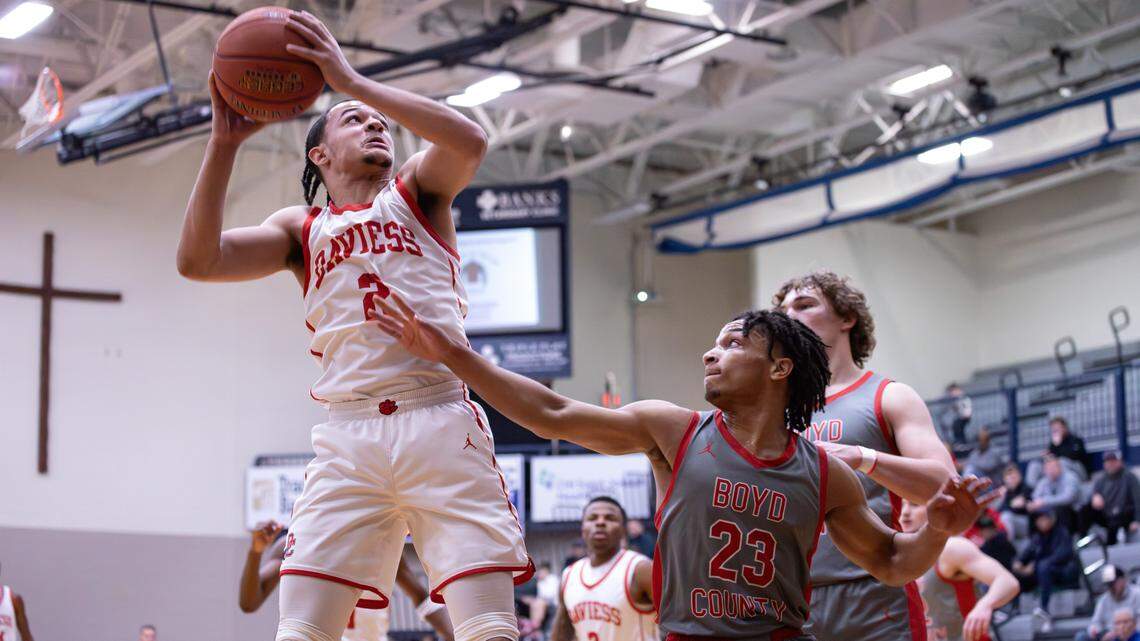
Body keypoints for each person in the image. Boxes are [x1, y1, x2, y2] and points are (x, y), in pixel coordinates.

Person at [177, 10, 532, 641]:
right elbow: (198, 261)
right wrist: (224, 143)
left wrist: (353, 83)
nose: (375, 124)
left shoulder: (417, 193)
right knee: (300, 634)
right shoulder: (300, 228)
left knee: (489, 632)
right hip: (349, 433)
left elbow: (470, 141)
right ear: (319, 152)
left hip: (440, 418)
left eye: (380, 122)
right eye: (354, 120)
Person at [371, 300, 996, 639]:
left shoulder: (824, 472)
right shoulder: (674, 430)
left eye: (732, 344)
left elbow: (891, 563)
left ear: (781, 369)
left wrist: (937, 531)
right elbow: (552, 412)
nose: (710, 352)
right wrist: (454, 356)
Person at [774, 270, 956, 641]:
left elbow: (947, 486)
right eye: (782, 309)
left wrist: (863, 456)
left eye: (805, 305)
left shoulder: (889, 396)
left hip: (874, 588)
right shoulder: (772, 412)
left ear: (847, 318)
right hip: (791, 598)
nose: (790, 315)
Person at [237, 521, 454, 641]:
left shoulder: (378, 541)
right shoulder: (294, 541)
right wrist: (255, 552)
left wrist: (452, 634)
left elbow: (420, 596)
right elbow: (249, 603)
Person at [899, 500, 1019, 641]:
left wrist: (985, 604)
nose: (905, 512)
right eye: (901, 505)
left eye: (914, 504)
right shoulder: (896, 557)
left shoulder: (951, 547)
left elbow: (1007, 581)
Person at [551, 497, 656, 641]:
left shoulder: (640, 569)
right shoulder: (569, 575)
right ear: (583, 530)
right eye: (592, 518)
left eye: (610, 518)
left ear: (623, 531)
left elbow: (675, 621)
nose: (600, 522)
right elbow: (562, 631)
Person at [1011, 509, 1078, 633]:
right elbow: (1027, 553)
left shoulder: (1062, 533)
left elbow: (1062, 555)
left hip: (1063, 572)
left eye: (1044, 519)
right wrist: (1019, 562)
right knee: (1015, 573)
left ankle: (1044, 607)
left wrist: (1035, 566)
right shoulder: (1037, 537)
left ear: (1051, 519)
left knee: (1043, 566)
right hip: (1043, 573)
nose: (1041, 522)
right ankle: (1014, 608)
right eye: (1039, 520)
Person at [1081, 450, 1140, 545]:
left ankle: (1112, 543)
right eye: (1108, 462)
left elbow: (1138, 499)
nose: (1110, 464)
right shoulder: (1101, 479)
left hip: (1124, 514)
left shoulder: (1129, 477)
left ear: (1120, 461)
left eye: (1113, 461)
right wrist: (1094, 497)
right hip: (1107, 514)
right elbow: (1093, 496)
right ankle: (1082, 540)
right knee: (1084, 510)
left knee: (1117, 521)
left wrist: (1137, 520)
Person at [1078, 565, 1140, 641]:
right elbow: (1095, 622)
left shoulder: (1137, 594)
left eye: (1113, 583)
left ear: (1123, 580)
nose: (1111, 587)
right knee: (1081, 636)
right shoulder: (1103, 600)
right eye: (1108, 584)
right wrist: (1096, 631)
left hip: (1132, 634)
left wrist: (1119, 632)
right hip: (1107, 634)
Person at [1029, 454, 1081, 532]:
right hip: (1052, 511)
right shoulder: (1044, 481)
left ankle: (1064, 540)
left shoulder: (1070, 477)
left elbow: (1068, 498)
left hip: (1073, 511)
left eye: (1053, 467)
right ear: (1044, 470)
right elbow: (1035, 497)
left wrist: (1045, 501)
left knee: (1060, 509)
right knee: (1033, 511)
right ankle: (1037, 541)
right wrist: (1035, 504)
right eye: (1048, 468)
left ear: (1059, 467)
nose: (1051, 470)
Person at [998, 464, 1032, 541]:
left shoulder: (1025, 488)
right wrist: (1002, 499)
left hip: (1026, 524)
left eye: (1014, 476)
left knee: (1006, 516)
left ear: (1019, 476)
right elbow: (999, 511)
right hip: (1011, 522)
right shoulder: (1006, 492)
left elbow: (1016, 509)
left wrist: (1008, 504)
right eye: (1008, 477)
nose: (1011, 479)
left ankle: (1008, 544)